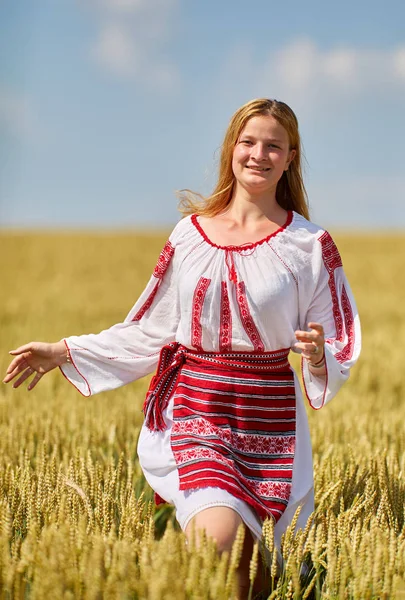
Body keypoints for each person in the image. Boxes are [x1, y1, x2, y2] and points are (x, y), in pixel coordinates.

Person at [3, 98, 361, 598]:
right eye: (248, 141)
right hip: (198, 409)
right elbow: (151, 330)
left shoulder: (310, 244)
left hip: (269, 417)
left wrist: (319, 355)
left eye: (273, 146)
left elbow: (338, 334)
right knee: (220, 540)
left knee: (253, 564)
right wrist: (63, 350)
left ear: (290, 157)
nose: (259, 154)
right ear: (232, 149)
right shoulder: (188, 236)